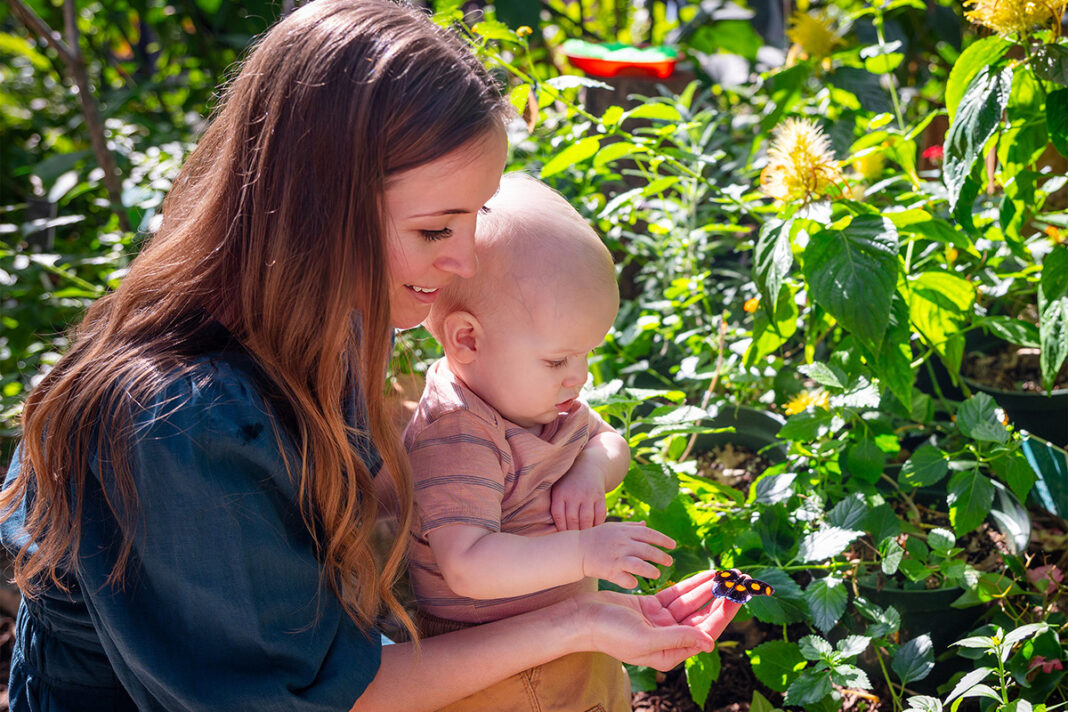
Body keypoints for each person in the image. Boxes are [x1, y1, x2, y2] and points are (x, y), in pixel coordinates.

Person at [0, 1, 741, 711]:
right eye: (433, 231)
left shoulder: (336, 308)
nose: (464, 263)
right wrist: (577, 621)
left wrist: (520, 485)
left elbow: (358, 490)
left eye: (474, 219)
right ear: (318, 208)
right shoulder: (175, 423)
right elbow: (327, 697)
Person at [406, 173, 672, 711]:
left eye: (585, 355)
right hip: (500, 671)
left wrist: (590, 471)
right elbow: (468, 565)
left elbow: (608, 440)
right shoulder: (459, 432)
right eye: (558, 360)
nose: (579, 378)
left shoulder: (537, 400)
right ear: (467, 339)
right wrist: (583, 551)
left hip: (564, 634)